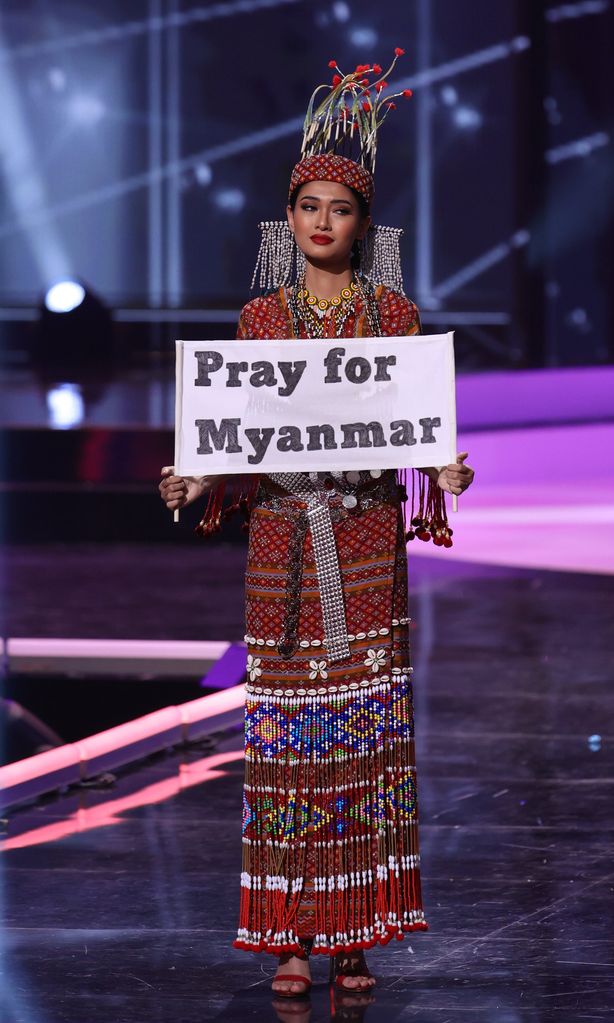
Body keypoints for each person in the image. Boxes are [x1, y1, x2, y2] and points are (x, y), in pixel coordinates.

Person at [160, 52, 475, 1000]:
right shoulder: (259, 323)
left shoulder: (393, 314)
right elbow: (241, 439)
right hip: (285, 548)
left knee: (363, 735)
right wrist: (195, 478)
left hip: (370, 538)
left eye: (340, 210)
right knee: (288, 735)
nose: (323, 223)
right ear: (287, 221)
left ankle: (355, 931)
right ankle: (291, 933)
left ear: (361, 222)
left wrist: (443, 465)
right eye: (309, 209)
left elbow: (414, 427)